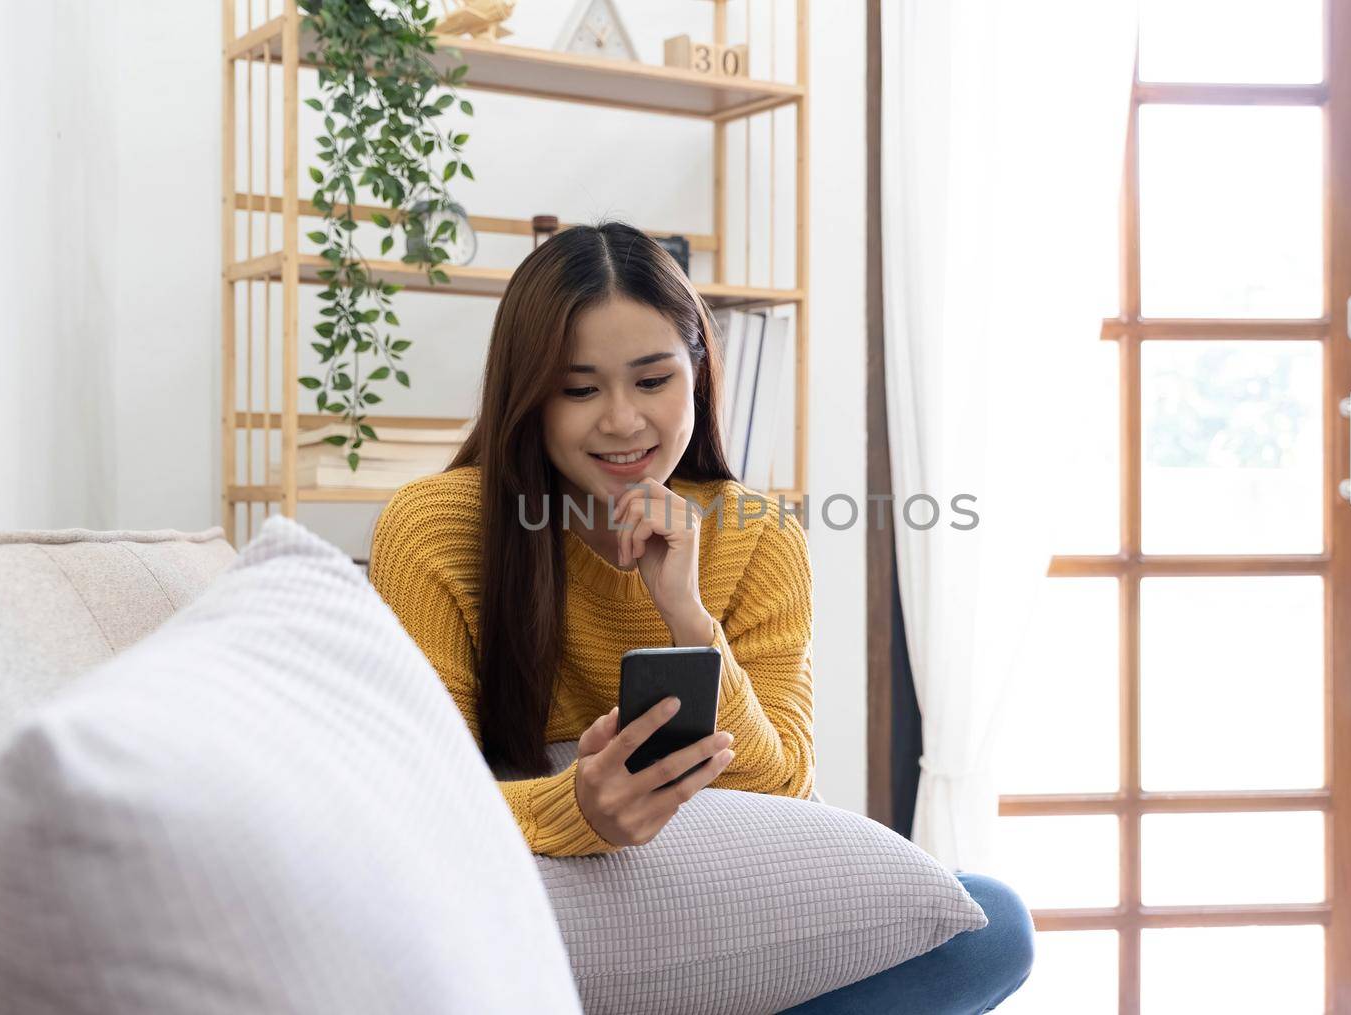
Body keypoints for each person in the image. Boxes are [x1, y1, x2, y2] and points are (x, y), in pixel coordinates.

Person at [367, 220, 1033, 1011]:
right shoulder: (437, 528)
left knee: (994, 926)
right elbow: (408, 801)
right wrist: (578, 806)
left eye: (653, 380)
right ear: (529, 397)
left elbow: (785, 792)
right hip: (545, 923)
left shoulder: (757, 536)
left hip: (723, 926)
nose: (622, 421)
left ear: (700, 373)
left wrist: (686, 614)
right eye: (579, 389)